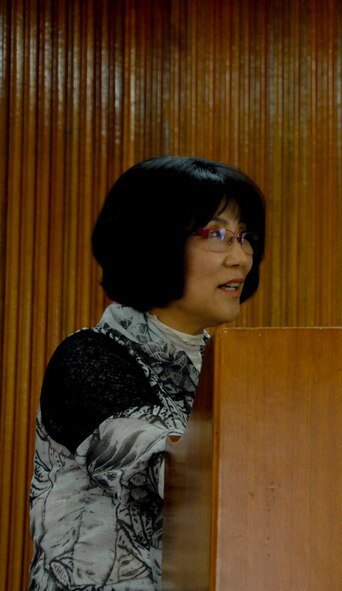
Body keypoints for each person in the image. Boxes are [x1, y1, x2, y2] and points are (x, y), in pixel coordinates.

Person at [28, 156, 266, 590]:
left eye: (245, 237)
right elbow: (177, 474)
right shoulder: (90, 358)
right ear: (153, 241)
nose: (241, 258)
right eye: (217, 235)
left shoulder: (234, 368)